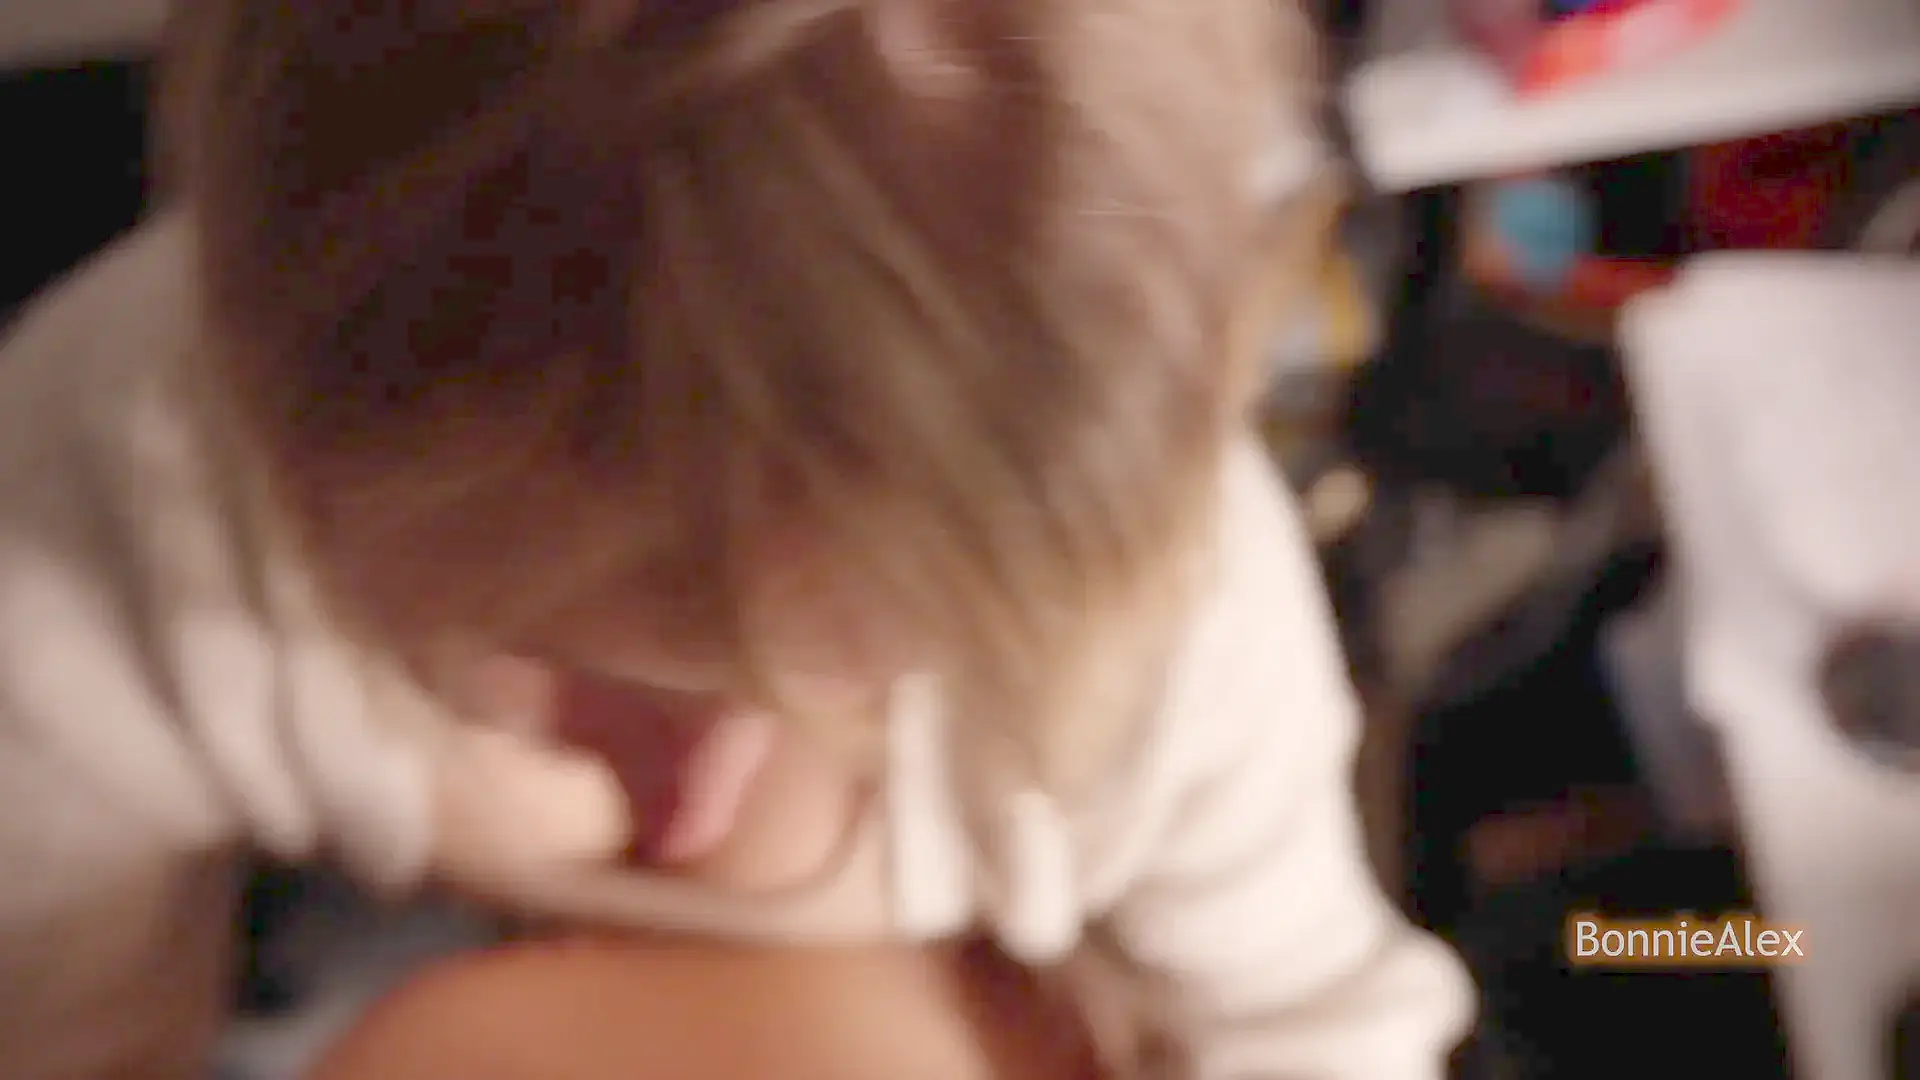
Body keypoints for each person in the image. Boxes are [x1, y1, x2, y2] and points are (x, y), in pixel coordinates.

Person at [0, 0, 1473, 1077]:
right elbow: (60, 1024)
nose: (688, 801)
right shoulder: (103, 501)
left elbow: (1316, 1025)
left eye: (857, 683)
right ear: (277, 443)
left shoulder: (1180, 631)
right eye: (549, 663)